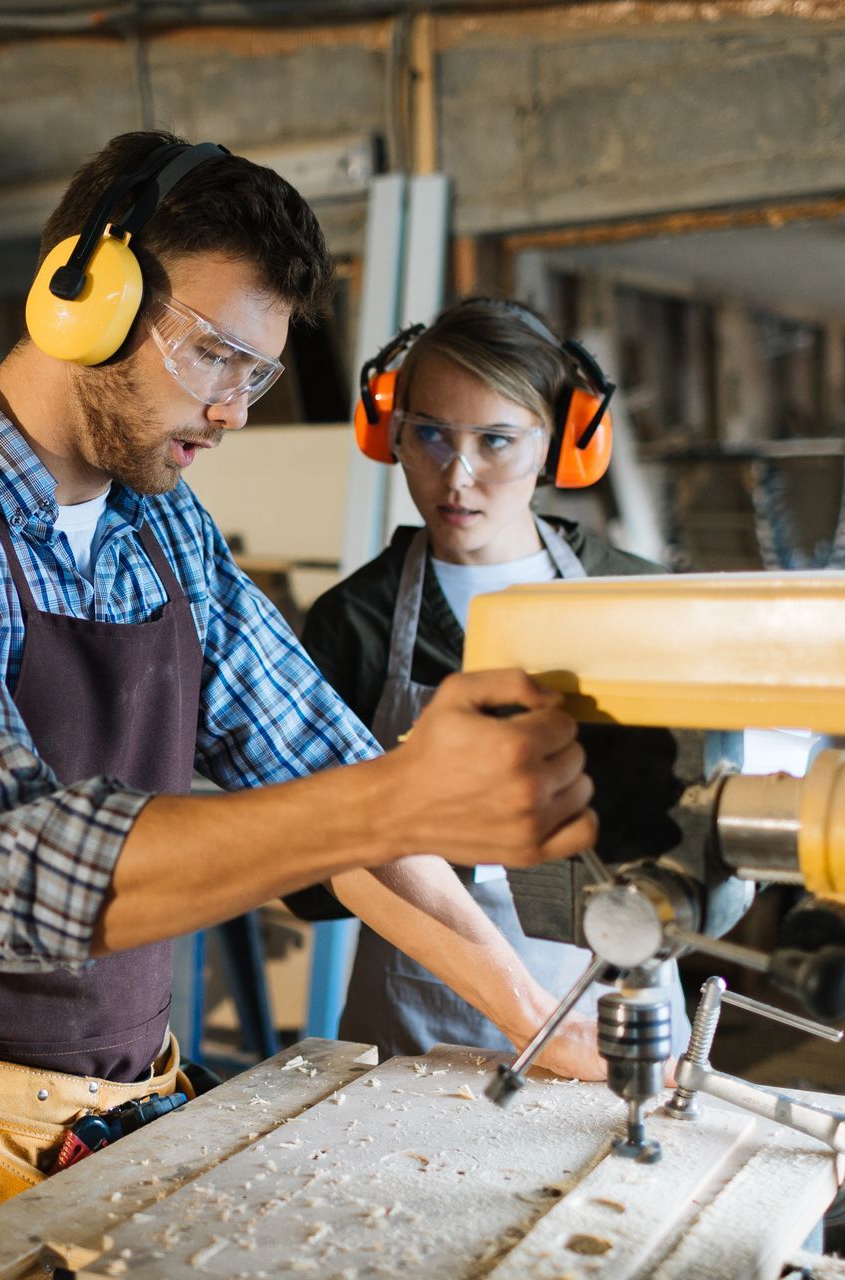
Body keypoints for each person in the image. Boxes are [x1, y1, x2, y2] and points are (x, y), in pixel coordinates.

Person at [0, 135, 605, 1280]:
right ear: (80, 295)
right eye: (211, 353)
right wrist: (387, 794)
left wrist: (536, 1021)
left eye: (256, 373)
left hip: (121, 1126)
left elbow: (325, 778)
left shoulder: (165, 529)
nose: (235, 409)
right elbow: (10, 874)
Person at [298, 296, 692, 1062]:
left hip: (615, 1003)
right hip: (417, 1028)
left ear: (561, 444)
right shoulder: (359, 620)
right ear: (391, 434)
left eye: (496, 441)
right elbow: (310, 880)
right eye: (431, 435)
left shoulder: (636, 601)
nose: (458, 474)